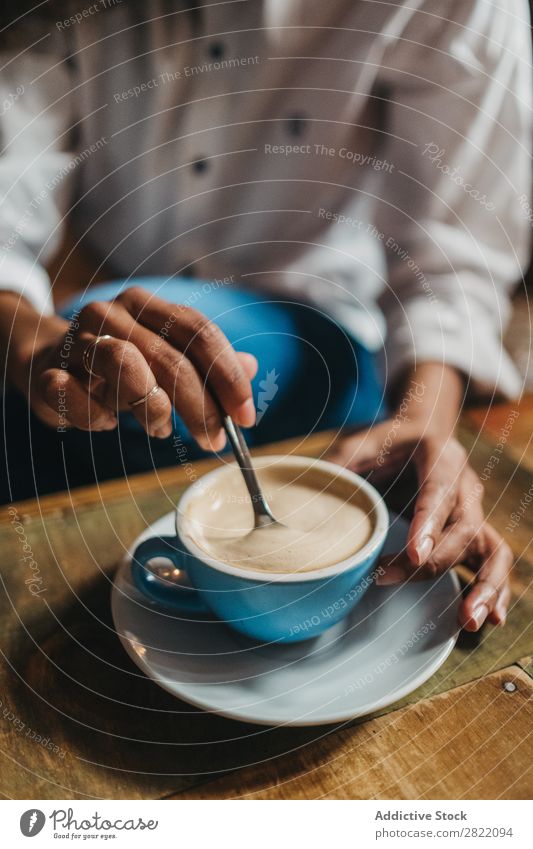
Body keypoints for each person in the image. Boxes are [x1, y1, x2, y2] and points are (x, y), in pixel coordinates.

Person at [0, 0, 530, 632]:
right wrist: (34, 343)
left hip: (326, 352)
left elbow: (456, 258)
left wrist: (420, 422)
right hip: (104, 339)